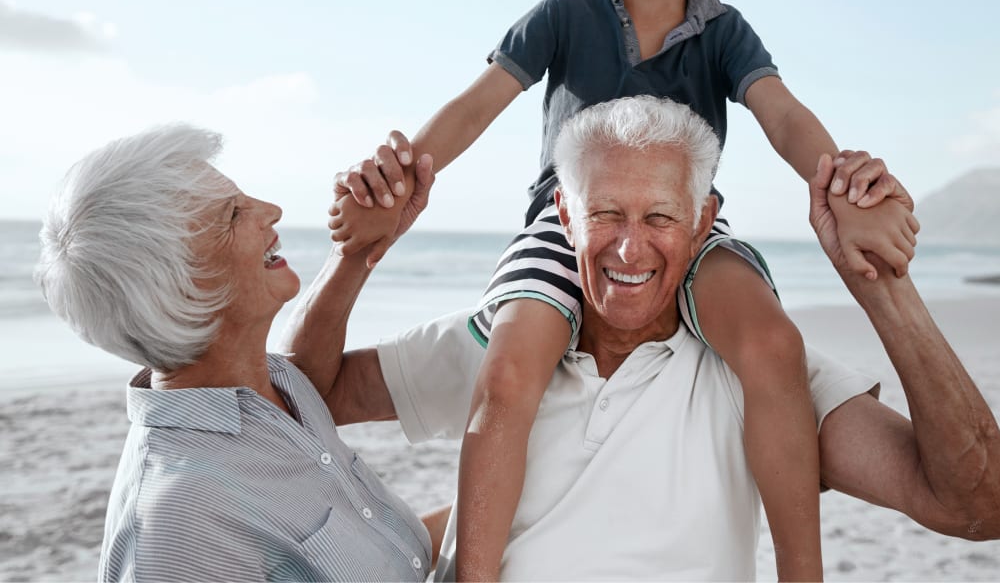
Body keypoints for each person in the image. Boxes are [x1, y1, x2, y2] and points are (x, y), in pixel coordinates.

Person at [328, 0, 918, 581]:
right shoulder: (566, 14)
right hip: (566, 224)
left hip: (686, 226)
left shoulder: (726, 31)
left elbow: (782, 116)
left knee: (774, 344)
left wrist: (841, 176)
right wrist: (402, 174)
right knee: (507, 375)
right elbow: (477, 105)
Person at [287, 97, 1000, 581]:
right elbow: (294, 399)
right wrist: (355, 259)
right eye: (606, 214)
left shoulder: (759, 373)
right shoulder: (499, 344)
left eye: (660, 216)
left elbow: (976, 504)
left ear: (703, 219)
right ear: (563, 215)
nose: (630, 250)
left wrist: (884, 287)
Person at [34, 123, 444, 582]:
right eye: (233, 215)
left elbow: (395, 560)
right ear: (183, 289)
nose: (272, 211)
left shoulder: (282, 387)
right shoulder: (180, 522)